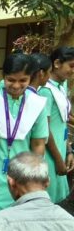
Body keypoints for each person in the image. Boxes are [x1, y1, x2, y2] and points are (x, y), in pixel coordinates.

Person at [0, 53, 49, 231]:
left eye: (23, 80)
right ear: (3, 77)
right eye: (10, 80)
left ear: (31, 78)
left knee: (18, 226)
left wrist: (36, 176)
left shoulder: (37, 105)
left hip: (23, 176)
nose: (16, 86)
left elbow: (38, 142)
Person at [38, 46, 74, 203]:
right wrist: (59, 159)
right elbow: (45, 129)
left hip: (60, 150)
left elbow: (62, 122)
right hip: (50, 155)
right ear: (57, 63)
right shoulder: (45, 90)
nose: (73, 71)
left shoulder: (62, 86)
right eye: (71, 66)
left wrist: (68, 151)